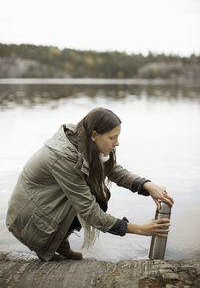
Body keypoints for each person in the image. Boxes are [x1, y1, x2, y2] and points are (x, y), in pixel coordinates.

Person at [6, 107, 174, 262]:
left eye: (118, 137)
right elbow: (89, 212)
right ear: (94, 135)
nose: (117, 143)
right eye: (112, 137)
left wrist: (146, 185)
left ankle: (60, 242)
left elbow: (113, 170)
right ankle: (50, 242)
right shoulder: (64, 157)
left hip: (46, 206)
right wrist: (141, 229)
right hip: (31, 219)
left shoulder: (83, 139)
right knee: (94, 202)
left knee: (100, 198)